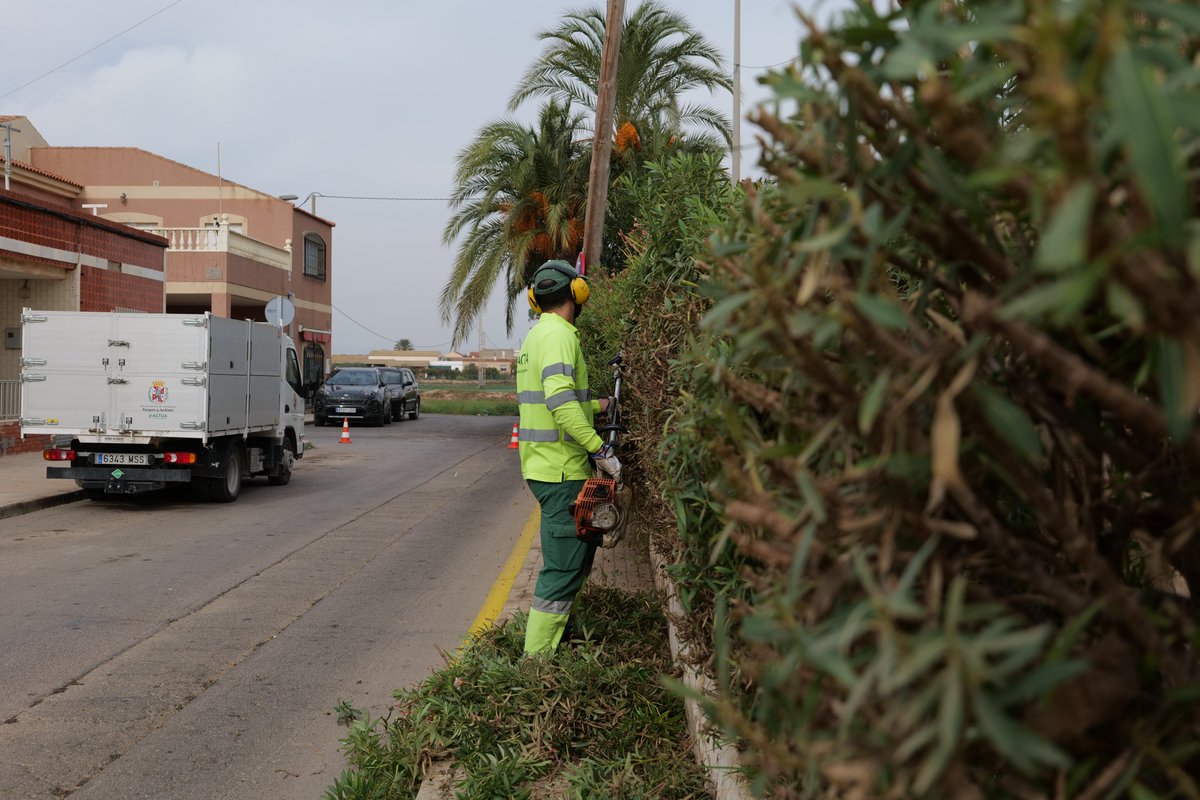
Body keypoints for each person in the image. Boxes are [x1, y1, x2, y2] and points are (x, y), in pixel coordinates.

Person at [516, 259, 622, 655]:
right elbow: (560, 404)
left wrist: (600, 404)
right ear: (577, 293)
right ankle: (535, 664)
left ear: (536, 298)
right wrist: (600, 449)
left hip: (545, 467)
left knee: (575, 562)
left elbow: (562, 402)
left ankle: (556, 646)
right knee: (562, 571)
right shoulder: (560, 336)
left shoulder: (536, 337)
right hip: (561, 472)